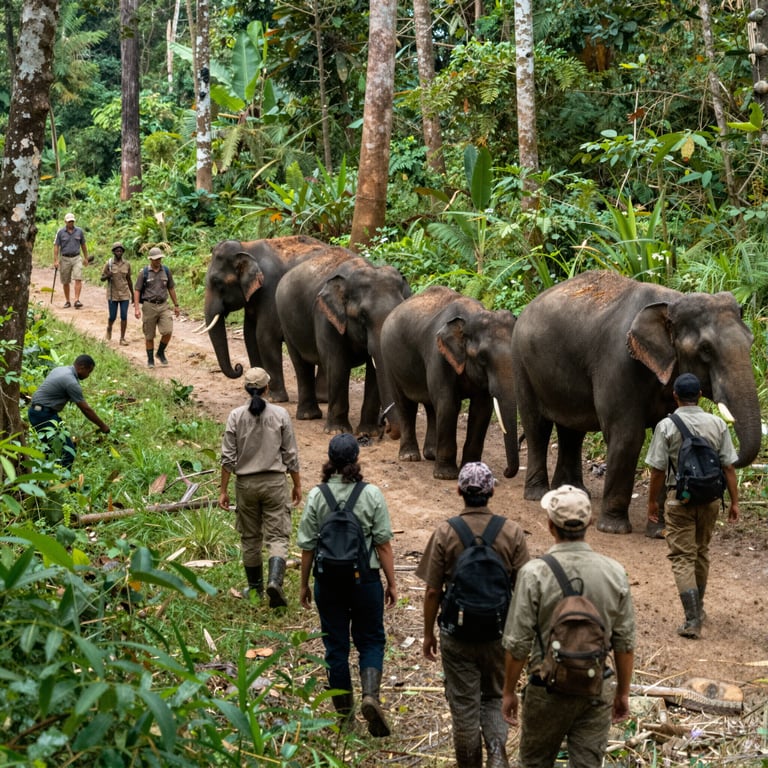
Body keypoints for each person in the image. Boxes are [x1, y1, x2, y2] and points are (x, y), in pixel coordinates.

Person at [501, 485, 636, 768]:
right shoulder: (614, 572)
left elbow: (517, 644)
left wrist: (509, 691)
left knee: (534, 762)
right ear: (589, 523)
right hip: (596, 686)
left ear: (550, 525)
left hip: (546, 689)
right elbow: (625, 643)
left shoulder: (534, 574)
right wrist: (622, 692)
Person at [416, 461, 530, 768]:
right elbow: (523, 593)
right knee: (494, 697)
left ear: (459, 491)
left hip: (457, 634)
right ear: (492, 491)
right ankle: (497, 753)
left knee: (465, 705)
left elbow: (432, 592)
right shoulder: (512, 532)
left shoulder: (445, 532)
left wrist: (429, 633)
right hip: (499, 634)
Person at [297, 433, 397, 737]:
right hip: (365, 579)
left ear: (330, 461)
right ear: (356, 460)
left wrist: (304, 584)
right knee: (371, 639)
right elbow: (383, 546)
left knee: (335, 647)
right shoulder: (371, 495)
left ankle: (345, 718)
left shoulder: (317, 496)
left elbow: (307, 548)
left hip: (327, 580)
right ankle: (371, 696)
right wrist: (392, 583)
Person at [645, 372, 739, 639]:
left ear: (675, 396)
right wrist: (734, 501)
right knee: (701, 552)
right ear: (700, 396)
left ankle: (692, 618)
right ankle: (700, 609)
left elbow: (658, 471)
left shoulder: (666, 426)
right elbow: (728, 467)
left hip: (679, 500)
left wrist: (653, 502)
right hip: (710, 500)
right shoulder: (717, 424)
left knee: (682, 557)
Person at [219, 367, 302, 608]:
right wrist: (297, 484)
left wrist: (223, 490)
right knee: (277, 535)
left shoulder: (235, 416)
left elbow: (227, 458)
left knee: (250, 537)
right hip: (275, 482)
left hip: (246, 485)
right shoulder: (281, 415)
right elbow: (291, 455)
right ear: (267, 388)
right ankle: (275, 582)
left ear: (246, 389)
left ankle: (255, 589)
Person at [27, 354, 110, 471]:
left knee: (50, 449)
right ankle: (62, 483)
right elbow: (86, 409)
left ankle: (48, 478)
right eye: (89, 372)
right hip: (43, 416)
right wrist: (103, 426)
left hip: (37, 412)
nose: (88, 375)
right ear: (81, 367)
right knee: (68, 452)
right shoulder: (71, 382)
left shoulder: (60, 370)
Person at [133, 247, 180, 368]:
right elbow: (137, 290)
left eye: (159, 258)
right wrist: (137, 308)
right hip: (149, 305)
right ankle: (150, 360)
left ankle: (160, 352)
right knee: (149, 335)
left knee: (168, 331)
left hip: (163, 305)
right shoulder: (144, 272)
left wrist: (176, 305)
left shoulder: (166, 271)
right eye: (155, 259)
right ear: (150, 259)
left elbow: (171, 288)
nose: (158, 261)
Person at [100, 242, 134, 346]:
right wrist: (107, 276)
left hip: (124, 294)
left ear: (123, 252)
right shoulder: (109, 264)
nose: (119, 252)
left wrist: (133, 294)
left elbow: (129, 279)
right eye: (117, 250)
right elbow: (102, 278)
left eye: (120, 250)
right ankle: (109, 327)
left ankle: (122, 338)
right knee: (113, 316)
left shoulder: (127, 264)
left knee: (124, 316)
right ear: (113, 252)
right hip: (112, 294)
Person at [53, 212, 89, 309]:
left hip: (77, 257)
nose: (71, 223)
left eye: (72, 221)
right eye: (69, 222)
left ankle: (77, 300)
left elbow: (83, 245)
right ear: (65, 222)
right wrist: (55, 260)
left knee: (78, 278)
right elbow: (56, 246)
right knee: (65, 281)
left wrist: (86, 258)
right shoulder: (60, 232)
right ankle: (67, 301)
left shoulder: (79, 231)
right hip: (64, 258)